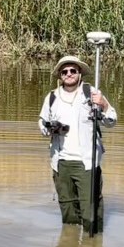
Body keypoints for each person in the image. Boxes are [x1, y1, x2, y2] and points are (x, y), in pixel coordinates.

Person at [38, 55, 116, 233]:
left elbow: (111, 120)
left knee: (90, 214)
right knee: (68, 214)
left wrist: (103, 105)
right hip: (61, 162)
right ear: (60, 75)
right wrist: (48, 129)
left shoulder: (91, 93)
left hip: (86, 163)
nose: (69, 74)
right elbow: (42, 122)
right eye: (64, 71)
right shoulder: (52, 97)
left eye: (73, 70)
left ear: (80, 73)